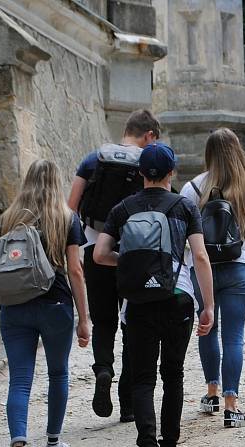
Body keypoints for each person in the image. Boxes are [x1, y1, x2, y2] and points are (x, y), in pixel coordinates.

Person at [93, 142, 215, 447]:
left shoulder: (122, 209)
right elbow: (201, 257)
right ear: (172, 173)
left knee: (143, 379)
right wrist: (208, 306)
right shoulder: (184, 206)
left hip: (138, 302)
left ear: (141, 174)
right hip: (177, 297)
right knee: (172, 374)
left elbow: (101, 255)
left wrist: (131, 263)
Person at [0, 159, 90, 447]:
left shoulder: (8, 218)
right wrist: (84, 319)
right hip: (55, 305)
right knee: (58, 373)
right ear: (56, 184)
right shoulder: (65, 218)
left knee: (20, 380)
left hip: (15, 307)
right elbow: (76, 270)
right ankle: (53, 444)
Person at [67, 109, 160, 422]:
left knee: (104, 320)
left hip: (95, 251)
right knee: (132, 321)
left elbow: (70, 208)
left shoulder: (93, 159)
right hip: (133, 254)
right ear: (149, 136)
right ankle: (129, 403)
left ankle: (103, 369)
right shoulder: (146, 163)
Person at [180, 128, 245, 428]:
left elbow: (183, 236)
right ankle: (232, 405)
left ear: (208, 154)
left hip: (202, 268)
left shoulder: (193, 188)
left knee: (207, 327)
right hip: (238, 266)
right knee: (234, 336)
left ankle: (211, 393)